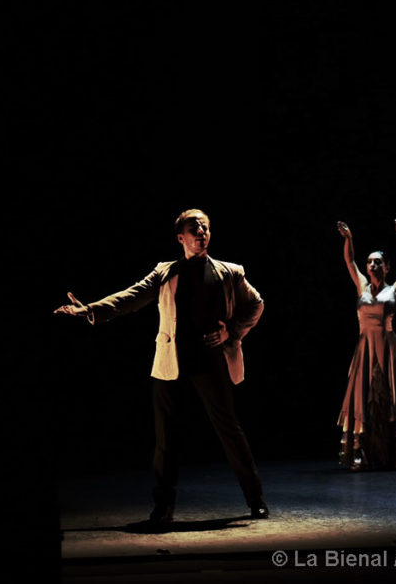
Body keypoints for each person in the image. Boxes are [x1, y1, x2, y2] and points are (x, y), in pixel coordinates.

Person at [53, 209, 268, 529]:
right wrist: (89, 310)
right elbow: (130, 297)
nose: (202, 232)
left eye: (206, 227)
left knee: (230, 433)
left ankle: (256, 501)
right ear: (180, 237)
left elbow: (256, 303)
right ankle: (163, 507)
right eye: (195, 228)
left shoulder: (230, 272)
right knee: (165, 438)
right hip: (171, 363)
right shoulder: (165, 272)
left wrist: (231, 332)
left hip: (211, 362)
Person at [336, 219, 396, 470]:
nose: (373, 265)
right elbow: (350, 261)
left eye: (378, 262)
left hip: (388, 349)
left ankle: (392, 453)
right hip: (365, 348)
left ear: (387, 266)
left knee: (389, 399)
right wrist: (349, 239)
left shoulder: (394, 290)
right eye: (370, 262)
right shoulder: (361, 285)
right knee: (362, 399)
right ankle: (363, 451)